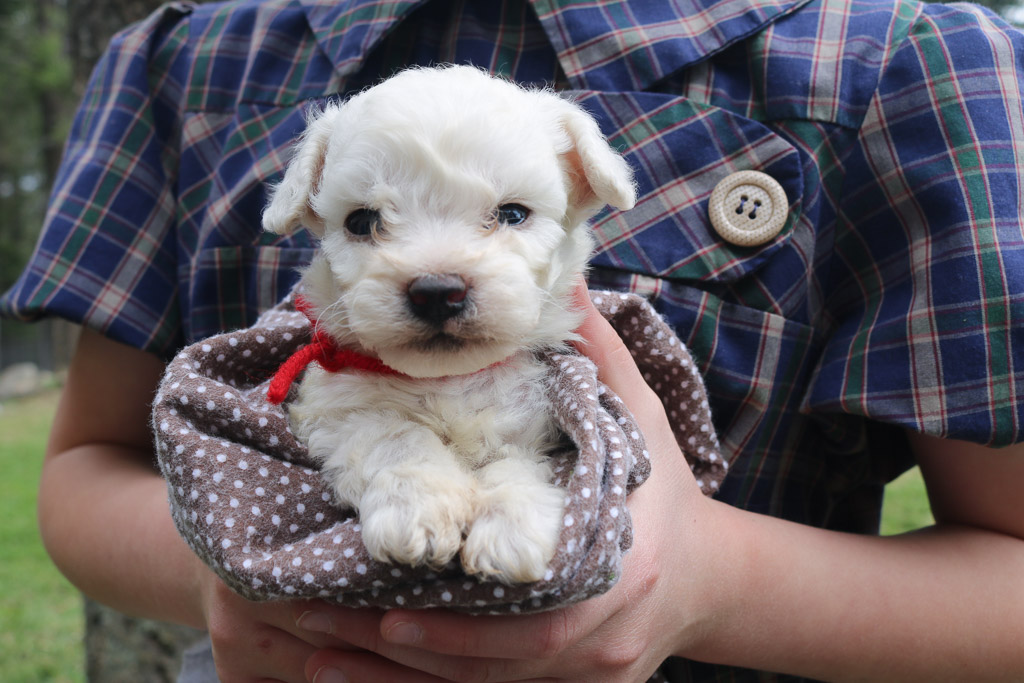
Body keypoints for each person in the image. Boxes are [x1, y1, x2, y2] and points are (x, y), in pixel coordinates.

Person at [4, 0, 1024, 680]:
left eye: (506, 216)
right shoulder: (193, 51)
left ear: (577, 193)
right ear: (315, 203)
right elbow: (89, 464)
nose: (438, 273)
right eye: (366, 223)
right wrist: (233, 567)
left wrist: (713, 584)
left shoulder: (907, 56)